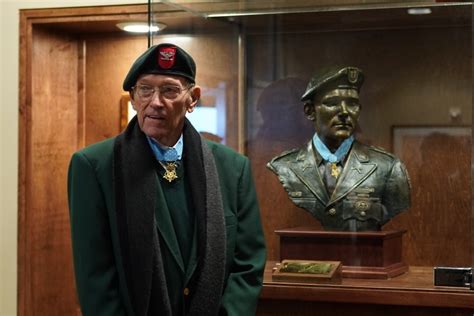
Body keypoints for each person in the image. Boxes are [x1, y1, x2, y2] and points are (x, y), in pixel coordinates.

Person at [68, 43, 266, 316]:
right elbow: (95, 278)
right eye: (145, 89)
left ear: (192, 98)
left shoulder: (232, 169)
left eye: (169, 90)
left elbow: (248, 265)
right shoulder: (94, 167)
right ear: (134, 98)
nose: (155, 102)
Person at [267, 66, 410, 231]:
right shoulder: (284, 167)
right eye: (332, 103)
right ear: (310, 111)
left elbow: (400, 227)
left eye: (352, 104)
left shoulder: (388, 168)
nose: (344, 112)